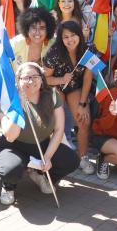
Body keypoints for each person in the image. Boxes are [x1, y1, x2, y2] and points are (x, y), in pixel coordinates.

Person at [0, 62, 80, 204]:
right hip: (14, 146)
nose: (31, 81)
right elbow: (11, 136)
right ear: (18, 80)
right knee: (9, 170)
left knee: (71, 160)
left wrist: (47, 158)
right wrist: (20, 105)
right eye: (26, 78)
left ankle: (40, 175)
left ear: (42, 79)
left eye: (35, 76)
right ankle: (8, 187)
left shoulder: (53, 95)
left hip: (42, 144)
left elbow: (59, 129)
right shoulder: (9, 99)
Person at [43, 21, 95, 174]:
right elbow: (45, 79)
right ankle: (54, 155)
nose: (70, 40)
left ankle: (83, 157)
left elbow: (88, 77)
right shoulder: (54, 53)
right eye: (66, 37)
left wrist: (83, 103)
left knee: (83, 119)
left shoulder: (88, 49)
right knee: (56, 121)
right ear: (61, 38)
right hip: (56, 85)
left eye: (73, 35)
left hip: (75, 87)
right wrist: (61, 80)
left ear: (79, 35)